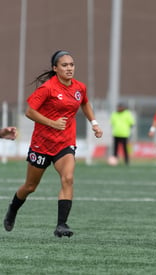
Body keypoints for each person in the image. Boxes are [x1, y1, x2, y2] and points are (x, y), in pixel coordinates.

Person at [3, 50, 103, 238]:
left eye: (71, 64)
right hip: (42, 144)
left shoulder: (79, 87)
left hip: (65, 143)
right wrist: (53, 123)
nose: (69, 68)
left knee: (68, 178)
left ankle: (61, 225)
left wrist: (95, 124)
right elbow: (29, 112)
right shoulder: (47, 88)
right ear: (55, 68)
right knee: (30, 187)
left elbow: (85, 103)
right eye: (64, 65)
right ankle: (13, 209)